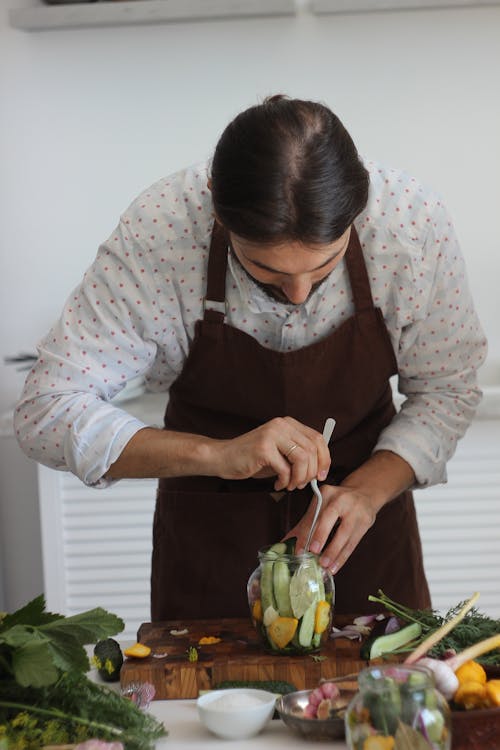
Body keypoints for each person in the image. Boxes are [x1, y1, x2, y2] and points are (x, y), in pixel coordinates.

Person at [14, 95, 487, 621]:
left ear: (360, 208)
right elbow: (46, 411)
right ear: (217, 209)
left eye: (324, 265)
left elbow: (447, 389)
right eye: (267, 270)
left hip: (362, 534)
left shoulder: (410, 225)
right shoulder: (162, 230)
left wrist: (366, 494)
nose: (300, 294)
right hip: (208, 541)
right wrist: (217, 455)